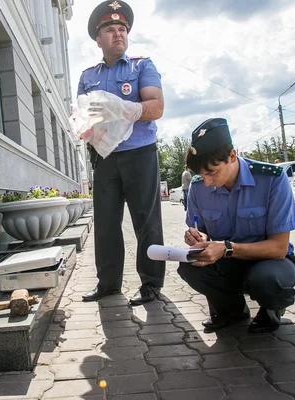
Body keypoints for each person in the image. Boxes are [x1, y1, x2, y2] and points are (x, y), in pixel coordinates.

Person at [78, 0, 166, 305]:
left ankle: (151, 283)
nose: (118, 34)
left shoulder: (142, 66)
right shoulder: (88, 76)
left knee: (147, 222)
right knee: (105, 223)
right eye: (111, 30)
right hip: (104, 157)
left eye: (122, 29)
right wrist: (83, 127)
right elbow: (83, 115)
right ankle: (108, 283)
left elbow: (156, 107)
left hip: (139, 153)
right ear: (98, 38)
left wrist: (125, 109)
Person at [178, 118, 295, 333]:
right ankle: (231, 310)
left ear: (232, 156)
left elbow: (279, 248)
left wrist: (227, 247)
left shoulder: (271, 179)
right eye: (201, 175)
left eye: (212, 172)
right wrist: (199, 238)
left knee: (269, 281)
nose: (206, 182)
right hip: (226, 260)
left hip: (269, 261)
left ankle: (271, 309)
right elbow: (202, 229)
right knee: (191, 266)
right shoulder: (198, 187)